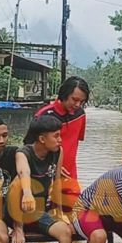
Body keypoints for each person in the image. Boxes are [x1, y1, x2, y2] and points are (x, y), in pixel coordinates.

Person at [12, 116, 74, 243]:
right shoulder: (23, 153)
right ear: (42, 138)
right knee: (17, 183)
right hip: (16, 208)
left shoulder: (57, 152)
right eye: (56, 136)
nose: (60, 139)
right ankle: (18, 227)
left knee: (66, 233)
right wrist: (27, 193)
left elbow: (57, 183)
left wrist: (59, 213)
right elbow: (23, 172)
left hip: (38, 211)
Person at [34, 76, 90, 212]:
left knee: (76, 217)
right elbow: (30, 149)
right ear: (64, 95)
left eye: (81, 102)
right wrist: (53, 165)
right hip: (45, 177)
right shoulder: (44, 115)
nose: (77, 105)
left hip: (70, 177)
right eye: (74, 100)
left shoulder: (81, 115)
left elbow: (75, 143)